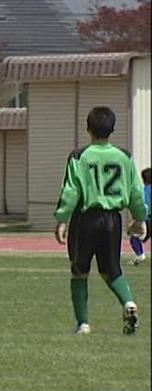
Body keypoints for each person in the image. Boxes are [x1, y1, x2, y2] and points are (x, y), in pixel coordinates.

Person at [54, 106, 147, 336]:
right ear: (112, 129)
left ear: (88, 128)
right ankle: (128, 303)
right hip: (112, 220)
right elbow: (136, 191)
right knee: (111, 270)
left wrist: (62, 219)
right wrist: (140, 219)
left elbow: (71, 190)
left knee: (79, 271)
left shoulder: (79, 156)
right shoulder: (124, 157)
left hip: (85, 218)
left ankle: (83, 323)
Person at [129, 167, 151, 265]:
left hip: (147, 219)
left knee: (134, 237)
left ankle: (140, 254)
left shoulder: (144, 191)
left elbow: (144, 205)